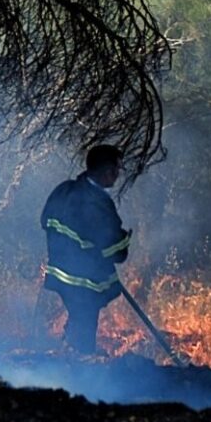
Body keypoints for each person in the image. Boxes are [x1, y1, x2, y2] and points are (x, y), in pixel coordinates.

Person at [40, 145, 132, 355]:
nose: (117, 175)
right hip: (83, 281)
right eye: (116, 169)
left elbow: (45, 220)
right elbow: (114, 250)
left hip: (61, 274)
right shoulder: (97, 203)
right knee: (85, 324)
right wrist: (124, 242)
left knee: (78, 318)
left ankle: (71, 353)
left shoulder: (64, 189)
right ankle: (81, 369)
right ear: (107, 171)